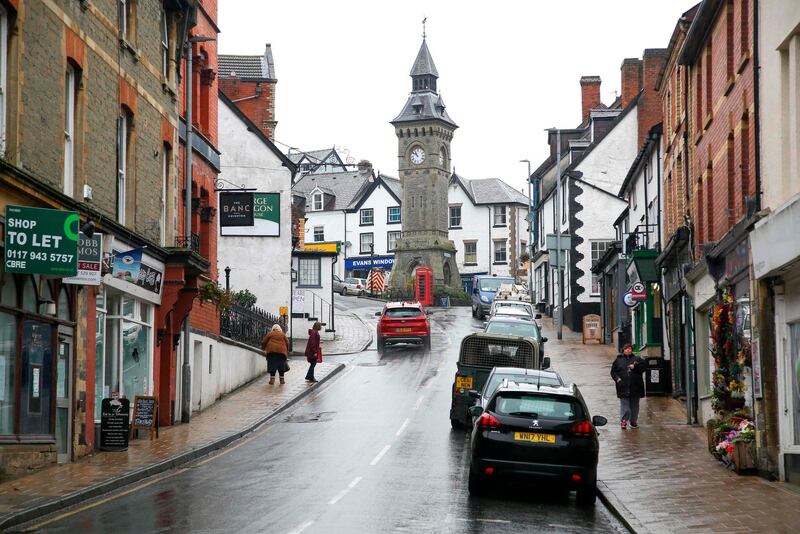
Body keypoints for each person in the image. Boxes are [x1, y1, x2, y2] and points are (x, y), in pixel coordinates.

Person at [610, 343, 646, 429]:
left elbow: (644, 368)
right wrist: (617, 379)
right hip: (623, 386)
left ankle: (633, 421)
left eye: (630, 349)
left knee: (635, 405)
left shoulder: (637, 359)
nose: (628, 350)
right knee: (624, 405)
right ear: (623, 350)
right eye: (626, 349)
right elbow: (613, 372)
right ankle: (624, 421)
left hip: (635, 386)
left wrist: (635, 367)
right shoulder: (618, 360)